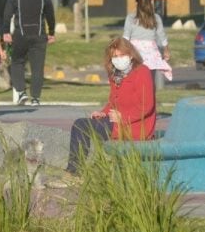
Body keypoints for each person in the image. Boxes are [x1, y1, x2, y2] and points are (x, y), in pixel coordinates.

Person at [49, 38, 156, 188]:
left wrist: (122, 117)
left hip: (136, 127)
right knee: (81, 124)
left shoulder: (142, 72)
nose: (119, 60)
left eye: (122, 55)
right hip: (116, 122)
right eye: (115, 57)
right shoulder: (115, 75)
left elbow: (147, 105)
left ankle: (74, 174)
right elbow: (113, 102)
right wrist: (103, 113)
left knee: (81, 126)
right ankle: (74, 172)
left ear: (131, 55)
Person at [2, 0, 56, 106]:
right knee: (37, 68)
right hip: (39, 35)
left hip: (20, 34)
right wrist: (51, 33)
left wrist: (6, 32)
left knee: (17, 62)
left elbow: (7, 14)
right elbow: (50, 15)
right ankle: (36, 98)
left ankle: (21, 92)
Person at [123, 0, 172, 88]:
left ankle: (137, 101)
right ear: (151, 2)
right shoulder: (156, 18)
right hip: (151, 54)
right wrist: (166, 50)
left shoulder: (131, 18)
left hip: (135, 54)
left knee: (135, 83)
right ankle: (150, 101)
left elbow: (126, 38)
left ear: (137, 3)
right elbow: (162, 35)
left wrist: (123, 52)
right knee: (149, 83)